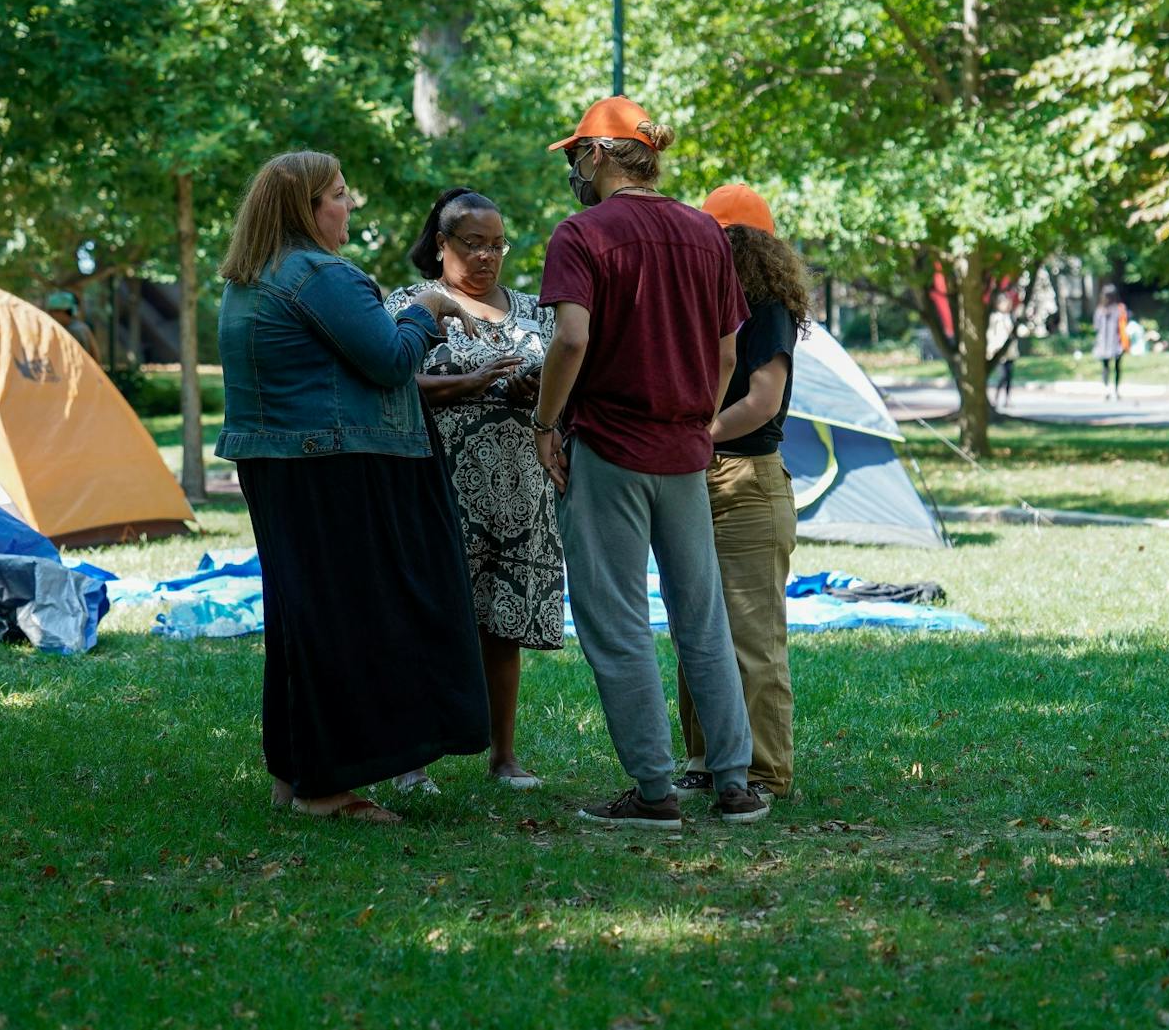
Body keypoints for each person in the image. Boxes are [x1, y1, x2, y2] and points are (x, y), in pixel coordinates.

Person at [215, 150, 489, 824]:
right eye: (338, 195)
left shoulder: (251, 277)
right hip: (330, 466)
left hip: (281, 464)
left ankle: (295, 774)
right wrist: (428, 306)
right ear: (306, 209)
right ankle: (328, 790)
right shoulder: (319, 274)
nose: (349, 205)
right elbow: (391, 360)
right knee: (343, 623)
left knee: (302, 621)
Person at [532, 96, 766, 829]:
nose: (575, 168)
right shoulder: (705, 233)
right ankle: (735, 782)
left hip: (609, 447)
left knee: (618, 619)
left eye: (577, 153)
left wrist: (545, 422)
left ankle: (655, 791)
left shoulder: (580, 233)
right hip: (685, 452)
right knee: (703, 617)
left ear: (599, 154)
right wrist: (697, 419)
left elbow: (572, 339)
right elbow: (726, 352)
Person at [385, 188, 562, 792]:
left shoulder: (537, 312)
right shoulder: (410, 305)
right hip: (439, 487)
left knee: (502, 625)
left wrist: (537, 393)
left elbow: (567, 380)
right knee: (428, 619)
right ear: (442, 244)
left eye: (498, 245)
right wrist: (468, 383)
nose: (488, 256)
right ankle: (412, 761)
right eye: (473, 244)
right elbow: (390, 381)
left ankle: (503, 756)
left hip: (520, 491)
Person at [669, 183, 808, 804]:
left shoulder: (768, 307)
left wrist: (698, 438)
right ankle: (705, 759)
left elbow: (762, 400)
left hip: (748, 482)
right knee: (696, 631)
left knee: (753, 640)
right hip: (696, 477)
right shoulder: (703, 306)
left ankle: (765, 772)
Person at [1092, 284, 1128, 401]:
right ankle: (1109, 390)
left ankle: (1112, 390)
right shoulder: (1102, 310)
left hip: (1114, 343)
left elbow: (1096, 327)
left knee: (1110, 367)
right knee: (1109, 367)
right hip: (1108, 343)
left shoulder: (1117, 309)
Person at [47, 290, 102, 362]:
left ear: (64, 311)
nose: (50, 315)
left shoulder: (76, 330)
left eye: (53, 311)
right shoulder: (82, 327)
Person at [986, 292, 1018, 410]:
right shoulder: (994, 318)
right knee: (1003, 375)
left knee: (1009, 376)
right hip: (999, 350)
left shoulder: (1010, 317)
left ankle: (1007, 399)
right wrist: (992, 348)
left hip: (1010, 351)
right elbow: (990, 334)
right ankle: (996, 398)